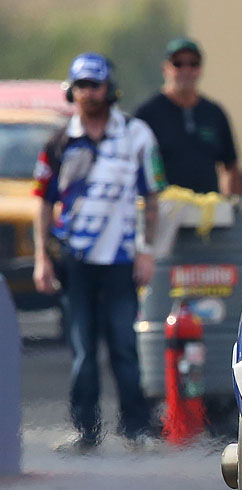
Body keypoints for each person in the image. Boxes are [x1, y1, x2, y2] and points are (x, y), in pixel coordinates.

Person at [31, 53, 166, 451]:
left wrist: (147, 251)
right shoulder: (60, 141)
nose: (89, 93)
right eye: (81, 86)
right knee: (83, 351)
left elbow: (152, 198)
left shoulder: (137, 134)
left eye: (95, 85)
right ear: (71, 91)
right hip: (76, 260)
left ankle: (137, 429)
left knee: (124, 345)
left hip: (122, 260)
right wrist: (42, 257)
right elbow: (42, 202)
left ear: (110, 89)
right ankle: (85, 431)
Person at [135, 38, 240, 195]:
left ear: (200, 69)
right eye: (178, 64)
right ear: (165, 69)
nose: (186, 70)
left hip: (207, 206)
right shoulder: (147, 114)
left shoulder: (214, 113)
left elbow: (230, 165)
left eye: (193, 64)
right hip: (162, 206)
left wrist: (230, 202)